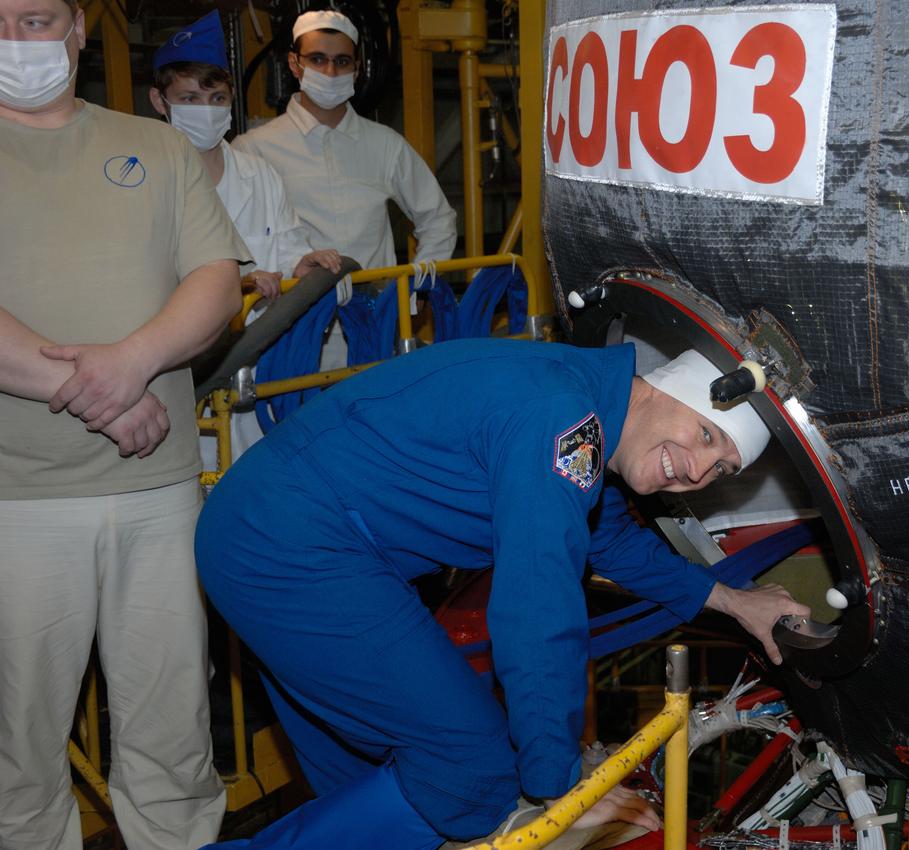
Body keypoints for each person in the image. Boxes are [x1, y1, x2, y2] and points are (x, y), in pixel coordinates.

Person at [195, 340, 809, 849]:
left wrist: (730, 599)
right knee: (471, 771)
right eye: (706, 436)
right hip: (294, 549)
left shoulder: (582, 407)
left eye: (722, 468)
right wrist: (559, 783)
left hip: (268, 531)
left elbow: (610, 541)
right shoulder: (563, 420)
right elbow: (539, 605)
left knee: (364, 793)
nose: (699, 473)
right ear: (664, 388)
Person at [0, 0, 250, 847]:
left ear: (75, 29)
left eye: (33, 21)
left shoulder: (155, 147)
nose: (15, 43)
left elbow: (216, 281)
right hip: (16, 501)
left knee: (175, 737)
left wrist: (132, 361)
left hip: (159, 495)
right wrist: (105, 390)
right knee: (18, 756)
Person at [148, 10, 343, 466]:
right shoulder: (146, 181)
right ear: (160, 101)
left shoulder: (259, 175)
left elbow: (287, 243)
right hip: (182, 377)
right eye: (190, 97)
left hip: (263, 376)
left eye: (216, 96)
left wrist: (303, 263)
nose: (206, 109)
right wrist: (243, 283)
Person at [234, 9, 457, 370]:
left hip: (375, 329)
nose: (330, 72)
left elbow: (438, 219)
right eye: (317, 59)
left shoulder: (385, 146)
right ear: (294, 63)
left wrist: (411, 292)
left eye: (342, 61)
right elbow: (238, 243)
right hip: (290, 333)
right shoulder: (253, 150)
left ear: (357, 68)